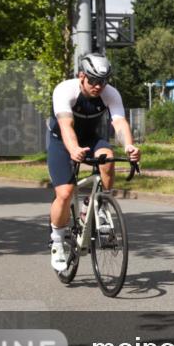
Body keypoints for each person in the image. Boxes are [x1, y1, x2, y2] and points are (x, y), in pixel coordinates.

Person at [46, 54, 140, 271]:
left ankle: (99, 207)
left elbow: (119, 122)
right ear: (81, 76)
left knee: (107, 160)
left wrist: (129, 146)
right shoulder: (65, 90)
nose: (99, 86)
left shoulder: (110, 93)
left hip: (91, 138)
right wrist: (73, 149)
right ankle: (58, 241)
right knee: (65, 192)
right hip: (62, 140)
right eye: (93, 81)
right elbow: (66, 126)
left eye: (103, 81)